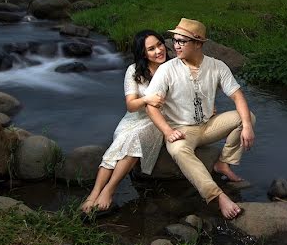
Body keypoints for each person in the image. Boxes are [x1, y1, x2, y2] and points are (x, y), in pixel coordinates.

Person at [146, 18, 255, 220]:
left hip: (208, 125)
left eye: (182, 41)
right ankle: (217, 196)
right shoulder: (167, 69)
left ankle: (224, 162)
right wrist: (168, 132)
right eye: (174, 40)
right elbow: (151, 106)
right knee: (179, 150)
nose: (175, 45)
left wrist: (247, 126)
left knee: (247, 118)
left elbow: (237, 95)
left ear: (198, 43)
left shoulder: (217, 66)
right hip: (182, 129)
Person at [81, 30, 168, 213]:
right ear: (143, 53)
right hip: (134, 118)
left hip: (158, 120)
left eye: (159, 45)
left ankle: (109, 190)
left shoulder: (173, 67)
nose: (158, 51)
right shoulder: (134, 70)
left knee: (134, 139)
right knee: (121, 141)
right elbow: (131, 105)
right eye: (151, 49)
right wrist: (147, 99)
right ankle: (94, 192)